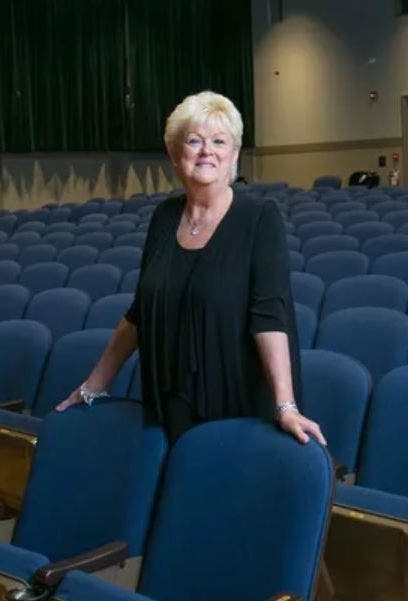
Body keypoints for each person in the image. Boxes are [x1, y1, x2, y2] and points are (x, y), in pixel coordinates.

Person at [56, 91, 325, 447]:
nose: (206, 151)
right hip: (169, 400)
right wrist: (94, 385)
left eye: (218, 141)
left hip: (236, 406)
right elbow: (139, 314)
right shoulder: (164, 217)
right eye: (194, 141)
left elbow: (270, 317)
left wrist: (285, 406)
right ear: (174, 152)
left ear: (233, 155)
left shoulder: (259, 217)